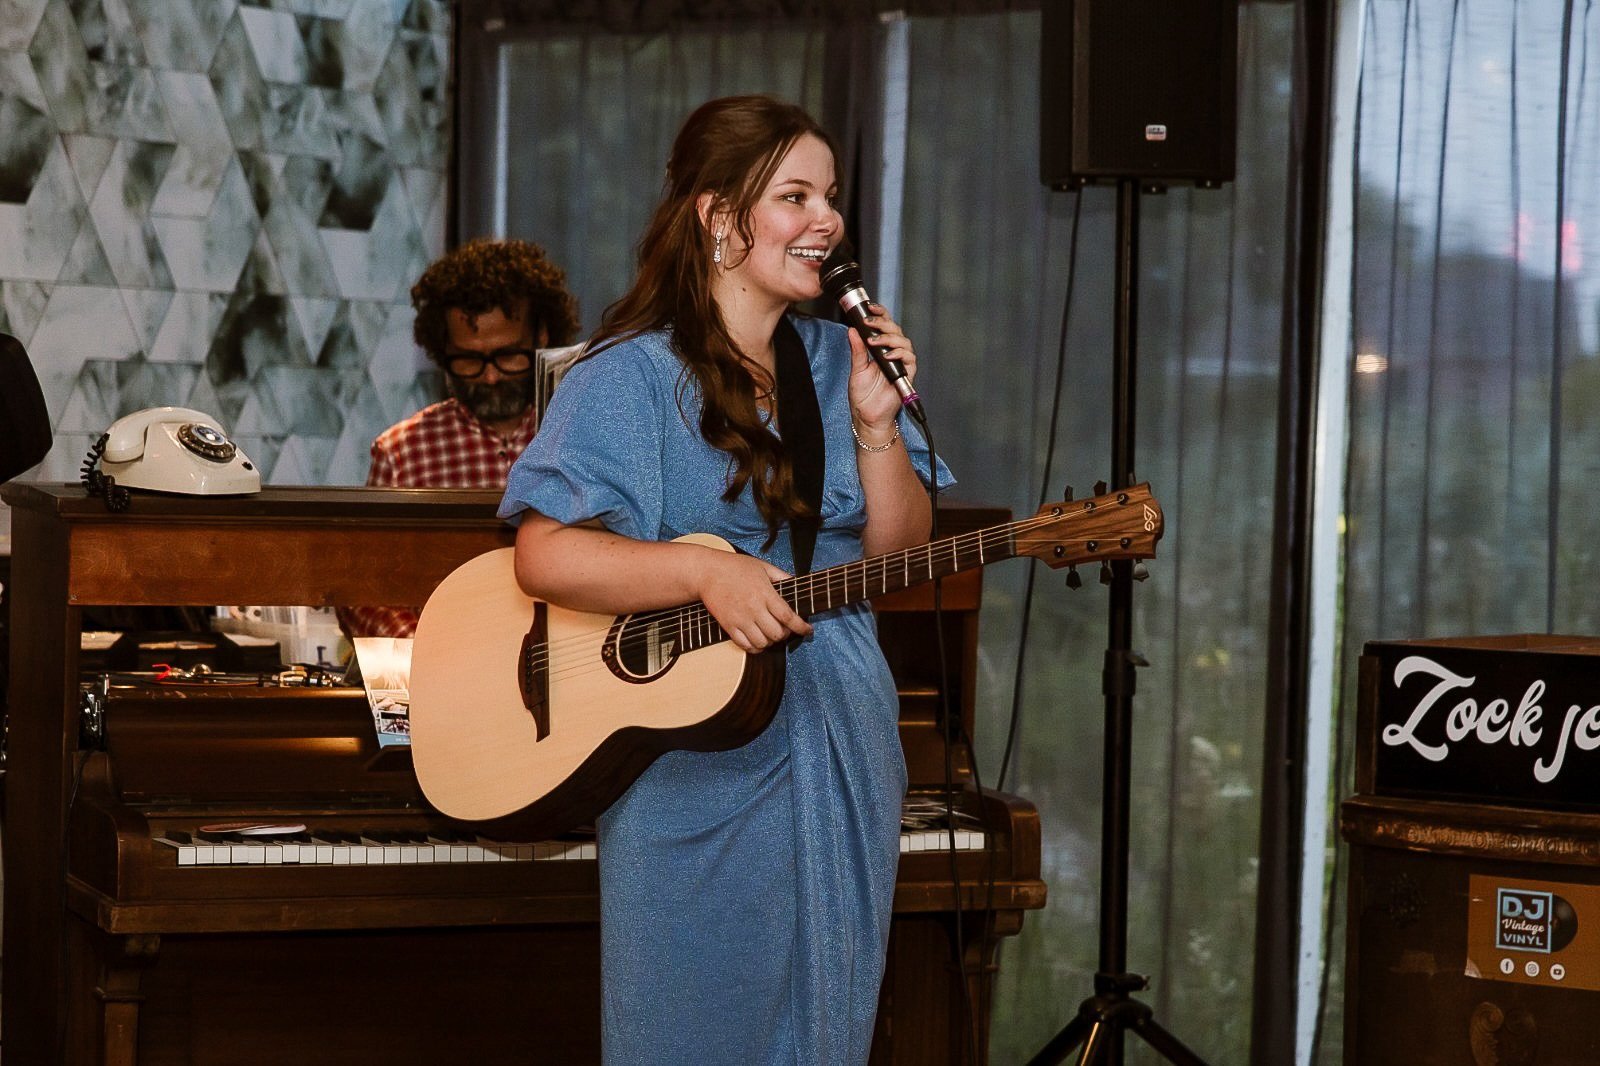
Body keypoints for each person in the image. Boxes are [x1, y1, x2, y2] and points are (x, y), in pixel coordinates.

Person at [498, 95, 951, 1064]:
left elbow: (895, 555)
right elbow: (544, 554)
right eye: (795, 196)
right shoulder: (627, 377)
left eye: (830, 196)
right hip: (694, 752)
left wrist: (876, 424)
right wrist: (704, 570)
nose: (827, 220)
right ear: (716, 216)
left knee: (827, 1024)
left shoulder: (838, 359)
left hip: (840, 723)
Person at [343, 238, 581, 638]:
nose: (490, 376)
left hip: (571, 659)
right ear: (442, 352)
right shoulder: (402, 452)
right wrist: (425, 648)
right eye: (469, 360)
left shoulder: (582, 433)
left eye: (508, 356)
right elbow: (363, 587)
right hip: (445, 658)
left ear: (542, 336)